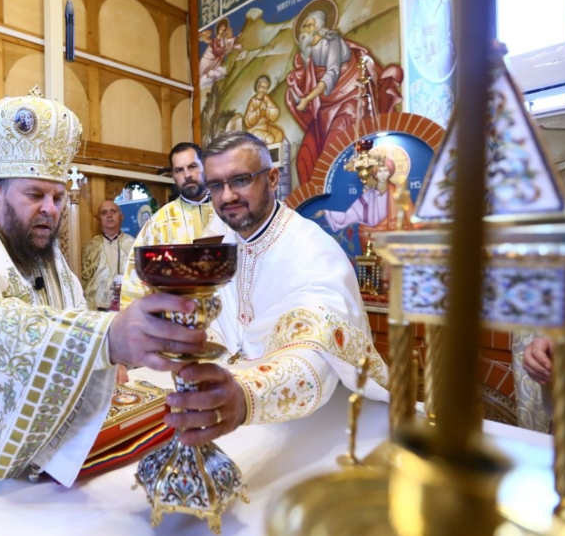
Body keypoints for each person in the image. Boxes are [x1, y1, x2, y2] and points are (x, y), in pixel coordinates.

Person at [0, 88, 207, 486]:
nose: (50, 209)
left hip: (38, 450)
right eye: (34, 194)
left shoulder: (50, 261)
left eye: (59, 197)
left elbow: (74, 316)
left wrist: (103, 364)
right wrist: (105, 340)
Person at [167, 131, 389, 439]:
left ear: (272, 179)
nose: (227, 196)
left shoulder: (312, 251)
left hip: (309, 426)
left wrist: (246, 397)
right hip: (226, 408)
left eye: (240, 180)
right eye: (216, 185)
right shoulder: (224, 243)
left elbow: (317, 350)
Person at [285, 1, 403, 185]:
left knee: (335, 146)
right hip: (325, 110)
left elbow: (331, 74)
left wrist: (306, 99)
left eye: (309, 25)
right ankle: (317, 197)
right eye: (303, 27)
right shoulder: (306, 54)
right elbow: (307, 83)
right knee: (305, 157)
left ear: (320, 26)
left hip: (350, 100)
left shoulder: (332, 42)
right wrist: (297, 91)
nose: (305, 31)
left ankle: (343, 191)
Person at [121, 142, 222, 306]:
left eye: (193, 166)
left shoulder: (227, 209)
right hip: (178, 312)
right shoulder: (158, 222)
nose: (187, 175)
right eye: (179, 170)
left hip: (230, 311)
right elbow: (136, 280)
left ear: (205, 166)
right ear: (173, 176)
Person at [317, 157, 415, 254]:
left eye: (385, 171)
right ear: (375, 174)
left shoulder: (398, 193)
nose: (382, 174)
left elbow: (410, 214)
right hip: (370, 236)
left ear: (389, 173)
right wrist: (327, 212)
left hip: (392, 236)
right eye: (379, 171)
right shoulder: (368, 195)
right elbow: (352, 213)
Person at [81, 201, 134, 312]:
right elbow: (83, 282)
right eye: (104, 213)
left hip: (126, 307)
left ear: (121, 216)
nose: (109, 215)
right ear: (98, 219)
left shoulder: (133, 245)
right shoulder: (90, 247)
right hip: (96, 310)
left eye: (113, 211)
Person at [408, 0, 455, 81]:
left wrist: (440, 55)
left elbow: (449, 37)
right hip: (422, 52)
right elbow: (413, 27)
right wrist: (420, 42)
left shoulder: (445, 0)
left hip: (439, 59)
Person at [243, 75, 285, 145]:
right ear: (258, 87)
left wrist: (266, 112)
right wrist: (258, 113)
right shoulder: (253, 101)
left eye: (266, 88)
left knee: (279, 134)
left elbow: (275, 112)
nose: (264, 90)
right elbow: (248, 122)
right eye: (262, 87)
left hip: (266, 127)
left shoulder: (266, 98)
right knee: (270, 139)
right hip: (255, 129)